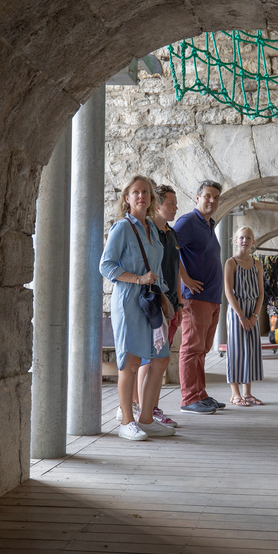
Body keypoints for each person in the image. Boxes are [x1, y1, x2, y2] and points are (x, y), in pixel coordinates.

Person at [99, 175, 176, 440]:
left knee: (160, 358)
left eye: (145, 192)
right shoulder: (122, 228)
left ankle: (146, 419)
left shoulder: (153, 229)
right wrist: (138, 279)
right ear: (127, 198)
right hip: (129, 301)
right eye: (136, 192)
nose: (141, 196)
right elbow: (105, 265)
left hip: (151, 300)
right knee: (130, 362)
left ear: (152, 198)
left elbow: (156, 268)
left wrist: (164, 297)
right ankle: (126, 422)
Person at [133, 184, 184, 428]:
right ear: (159, 204)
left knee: (160, 359)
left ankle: (151, 409)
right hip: (154, 302)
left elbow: (175, 270)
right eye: (171, 203)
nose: (175, 208)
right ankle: (146, 410)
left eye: (175, 203)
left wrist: (179, 303)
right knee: (150, 359)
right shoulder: (149, 231)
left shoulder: (171, 234)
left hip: (170, 303)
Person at [174, 180, 226, 414]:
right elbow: (169, 249)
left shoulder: (209, 224)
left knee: (202, 349)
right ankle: (188, 399)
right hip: (196, 297)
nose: (212, 200)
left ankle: (200, 394)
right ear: (197, 198)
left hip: (211, 297)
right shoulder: (188, 222)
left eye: (216, 197)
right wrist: (184, 278)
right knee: (192, 348)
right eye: (207, 196)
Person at [223, 227, 265, 406]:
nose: (244, 241)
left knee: (251, 350)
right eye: (241, 238)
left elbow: (261, 293)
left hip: (252, 311)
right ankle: (235, 394)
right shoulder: (231, 263)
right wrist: (241, 316)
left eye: (248, 238)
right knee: (236, 350)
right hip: (237, 311)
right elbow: (228, 292)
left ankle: (247, 393)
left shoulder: (258, 264)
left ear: (253, 242)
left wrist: (255, 315)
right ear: (235, 240)